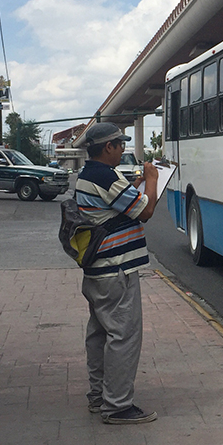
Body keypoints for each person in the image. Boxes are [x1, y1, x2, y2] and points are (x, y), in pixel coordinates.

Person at [75, 122, 159, 425]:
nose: (123, 149)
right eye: (120, 145)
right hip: (118, 269)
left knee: (99, 335)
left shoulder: (87, 175)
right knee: (123, 336)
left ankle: (99, 397)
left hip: (98, 271)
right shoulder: (106, 176)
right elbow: (145, 211)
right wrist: (152, 179)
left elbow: (122, 206)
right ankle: (118, 406)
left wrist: (135, 185)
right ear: (107, 147)